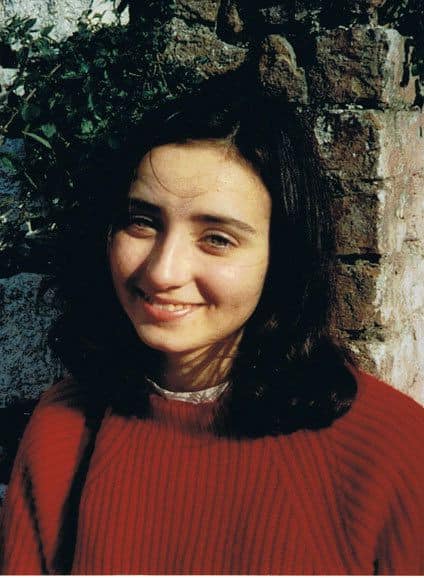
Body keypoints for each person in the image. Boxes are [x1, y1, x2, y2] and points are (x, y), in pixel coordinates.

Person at [1, 75, 423, 575]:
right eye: (142, 222)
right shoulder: (62, 428)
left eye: (217, 238)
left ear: (282, 259)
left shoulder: (392, 450)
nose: (163, 272)